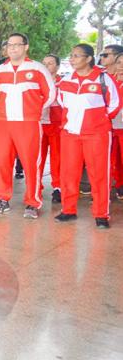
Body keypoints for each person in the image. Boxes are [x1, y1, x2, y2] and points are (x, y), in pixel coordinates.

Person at [0, 32, 56, 218]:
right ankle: (1, 198)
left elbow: (50, 93)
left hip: (28, 124)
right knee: (1, 162)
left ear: (26, 47)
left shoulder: (37, 68)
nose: (12, 48)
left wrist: (34, 112)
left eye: (17, 45)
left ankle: (32, 202)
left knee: (31, 164)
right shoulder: (0, 70)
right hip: (3, 123)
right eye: (9, 45)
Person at [55, 44, 120, 228]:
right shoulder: (67, 79)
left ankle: (101, 214)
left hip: (97, 134)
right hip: (70, 134)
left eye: (77, 56)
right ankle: (68, 210)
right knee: (68, 172)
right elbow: (61, 101)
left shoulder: (103, 79)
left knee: (99, 174)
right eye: (71, 55)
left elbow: (114, 104)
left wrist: (100, 120)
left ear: (89, 59)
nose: (72, 59)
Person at [39, 54, 64, 203]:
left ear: (57, 66)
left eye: (50, 63)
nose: (47, 66)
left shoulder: (63, 82)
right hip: (40, 123)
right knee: (38, 157)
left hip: (57, 123)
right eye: (44, 63)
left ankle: (58, 187)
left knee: (57, 157)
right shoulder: (37, 82)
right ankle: (36, 186)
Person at [111, 53, 123, 198]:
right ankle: (119, 185)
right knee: (113, 159)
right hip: (111, 127)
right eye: (119, 62)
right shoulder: (110, 81)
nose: (121, 66)